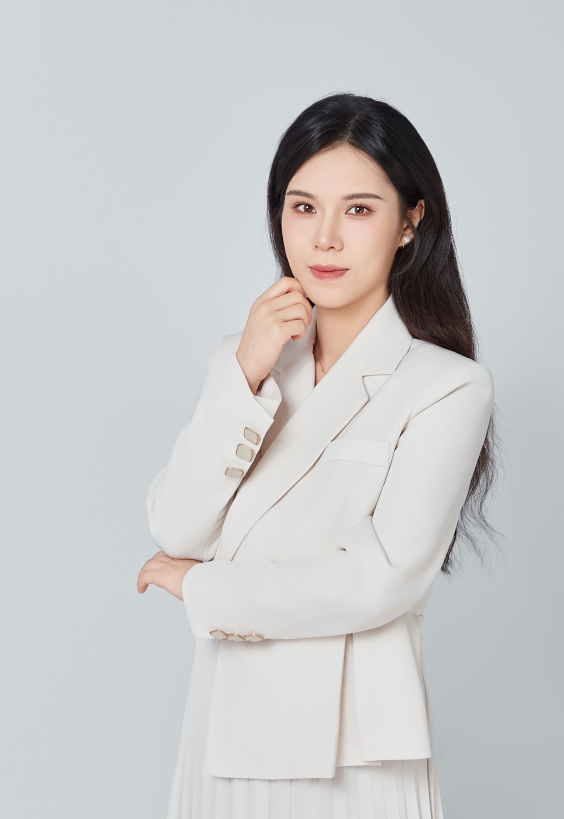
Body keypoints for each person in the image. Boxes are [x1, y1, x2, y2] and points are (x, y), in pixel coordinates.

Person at [138, 92, 497, 819]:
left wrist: (205, 588)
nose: (324, 238)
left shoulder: (447, 386)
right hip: (225, 721)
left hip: (352, 745)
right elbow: (176, 527)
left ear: (410, 222)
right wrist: (244, 371)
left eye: (358, 209)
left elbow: (380, 579)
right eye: (303, 207)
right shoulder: (243, 361)